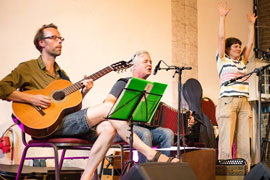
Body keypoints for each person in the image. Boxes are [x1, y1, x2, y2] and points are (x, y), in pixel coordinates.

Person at [0, 23, 179, 180]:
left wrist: (84, 92)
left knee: (109, 128)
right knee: (109, 107)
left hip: (64, 122)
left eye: (61, 38)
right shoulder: (28, 68)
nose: (60, 41)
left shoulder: (61, 76)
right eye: (54, 38)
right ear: (41, 43)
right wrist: (32, 98)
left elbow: (69, 108)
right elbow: (3, 88)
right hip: (44, 127)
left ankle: (85, 178)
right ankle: (148, 152)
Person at [111, 50, 175, 163]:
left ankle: (164, 171)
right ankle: (145, 174)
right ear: (134, 66)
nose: (150, 64)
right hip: (121, 129)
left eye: (151, 61)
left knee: (167, 133)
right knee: (145, 134)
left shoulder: (150, 88)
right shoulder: (122, 83)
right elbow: (108, 105)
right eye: (145, 61)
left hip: (140, 127)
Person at [216, 1, 257, 167]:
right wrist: (222, 17)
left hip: (244, 102)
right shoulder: (222, 59)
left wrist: (251, 25)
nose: (239, 48)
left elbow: (251, 44)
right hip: (228, 102)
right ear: (227, 49)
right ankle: (225, 176)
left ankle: (244, 175)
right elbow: (221, 38)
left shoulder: (243, 62)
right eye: (235, 46)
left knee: (244, 145)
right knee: (226, 144)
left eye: (239, 46)